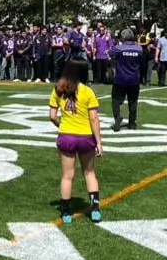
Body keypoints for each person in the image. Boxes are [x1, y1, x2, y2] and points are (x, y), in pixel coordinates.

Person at [49, 59, 103, 225]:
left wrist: (62, 126)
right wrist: (99, 142)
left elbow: (52, 116)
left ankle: (66, 212)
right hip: (85, 137)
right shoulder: (87, 91)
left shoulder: (58, 89)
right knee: (89, 173)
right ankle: (95, 210)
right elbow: (94, 118)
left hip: (66, 136)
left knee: (67, 176)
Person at [108, 28, 143, 131]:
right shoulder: (139, 49)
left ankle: (117, 117)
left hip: (120, 79)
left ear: (123, 37)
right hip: (134, 79)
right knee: (133, 102)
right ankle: (132, 123)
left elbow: (110, 53)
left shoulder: (118, 48)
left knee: (115, 101)